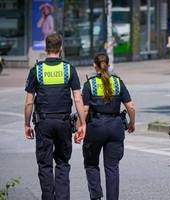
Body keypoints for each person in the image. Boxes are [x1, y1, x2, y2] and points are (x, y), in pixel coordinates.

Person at [24, 33, 86, 200]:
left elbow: (29, 102)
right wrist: (83, 124)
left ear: (46, 49)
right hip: (64, 122)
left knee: (44, 165)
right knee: (63, 163)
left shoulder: (36, 70)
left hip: (43, 123)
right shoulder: (68, 69)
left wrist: (27, 124)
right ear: (61, 49)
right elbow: (78, 98)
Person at [79, 53, 135, 200]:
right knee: (112, 168)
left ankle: (96, 197)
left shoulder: (89, 84)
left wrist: (81, 127)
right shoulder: (117, 82)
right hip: (115, 127)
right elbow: (130, 106)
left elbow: (84, 110)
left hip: (95, 127)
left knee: (91, 163)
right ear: (108, 64)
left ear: (94, 66)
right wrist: (132, 123)